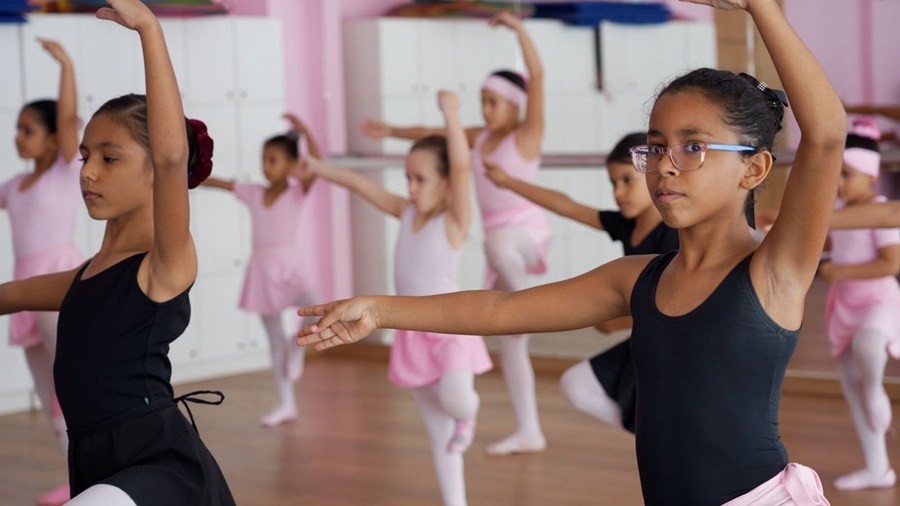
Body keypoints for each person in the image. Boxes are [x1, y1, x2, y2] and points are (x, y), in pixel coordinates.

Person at [298, 0, 844, 503]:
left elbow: (824, 136)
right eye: (655, 147)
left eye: (693, 147)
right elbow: (501, 309)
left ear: (755, 167)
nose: (665, 165)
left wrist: (761, 8)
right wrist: (378, 309)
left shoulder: (773, 271)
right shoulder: (638, 280)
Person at [0, 1, 235, 504]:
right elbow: (9, 294)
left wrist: (149, 27)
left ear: (156, 171)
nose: (87, 172)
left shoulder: (164, 265)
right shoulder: (83, 279)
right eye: (86, 157)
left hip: (157, 461)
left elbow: (173, 157)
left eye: (109, 159)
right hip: (93, 458)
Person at [359, 11, 550, 456]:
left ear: (516, 104)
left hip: (522, 236)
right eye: (481, 101)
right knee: (510, 342)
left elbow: (537, 76)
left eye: (494, 102)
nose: (486, 110)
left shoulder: (527, 135)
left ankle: (528, 309)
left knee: (500, 246)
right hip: (495, 246)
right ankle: (529, 429)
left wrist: (519, 29)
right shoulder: (481, 138)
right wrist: (392, 131)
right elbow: (435, 134)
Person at [303, 90, 490, 506]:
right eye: (407, 177)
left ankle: (468, 415)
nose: (409, 187)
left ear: (445, 184)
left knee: (457, 401)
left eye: (420, 179)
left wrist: (451, 115)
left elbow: (462, 166)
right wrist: (316, 166)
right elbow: (358, 183)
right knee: (438, 431)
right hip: (411, 331)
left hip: (451, 327)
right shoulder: (406, 212)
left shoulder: (454, 220)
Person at [484, 132, 677, 433]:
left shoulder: (675, 232)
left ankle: (661, 437)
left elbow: (680, 304)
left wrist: (618, 321)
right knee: (576, 384)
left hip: (676, 349)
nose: (618, 192)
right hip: (647, 342)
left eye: (627, 180)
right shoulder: (626, 226)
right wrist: (508, 182)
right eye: (613, 183)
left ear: (653, 176)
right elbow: (567, 206)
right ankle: (652, 436)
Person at [0, 37, 84, 506]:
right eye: (17, 128)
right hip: (23, 294)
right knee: (43, 387)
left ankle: (94, 474)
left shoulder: (63, 171)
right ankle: (76, 479)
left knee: (68, 385)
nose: (18, 136)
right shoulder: (14, 186)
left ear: (54, 138)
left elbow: (71, 120)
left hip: (57, 282)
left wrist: (66, 66)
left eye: (28, 129)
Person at [201, 113, 321, 427]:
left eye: (274, 160)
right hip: (262, 269)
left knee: (315, 307)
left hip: (290, 265)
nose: (266, 165)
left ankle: (297, 345)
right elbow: (221, 183)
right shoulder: (254, 192)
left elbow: (318, 165)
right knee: (272, 340)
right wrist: (187, 176)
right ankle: (286, 404)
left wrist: (305, 131)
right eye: (264, 159)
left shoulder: (297, 192)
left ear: (292, 164)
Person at [818, 118, 900, 491]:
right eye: (836, 175)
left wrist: (840, 273)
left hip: (877, 300)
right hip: (845, 304)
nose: (838, 184)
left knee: (869, 345)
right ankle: (878, 467)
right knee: (850, 385)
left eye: (846, 174)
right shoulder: (840, 210)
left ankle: (875, 389)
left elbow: (891, 263)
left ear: (869, 175)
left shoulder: (881, 210)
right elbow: (837, 245)